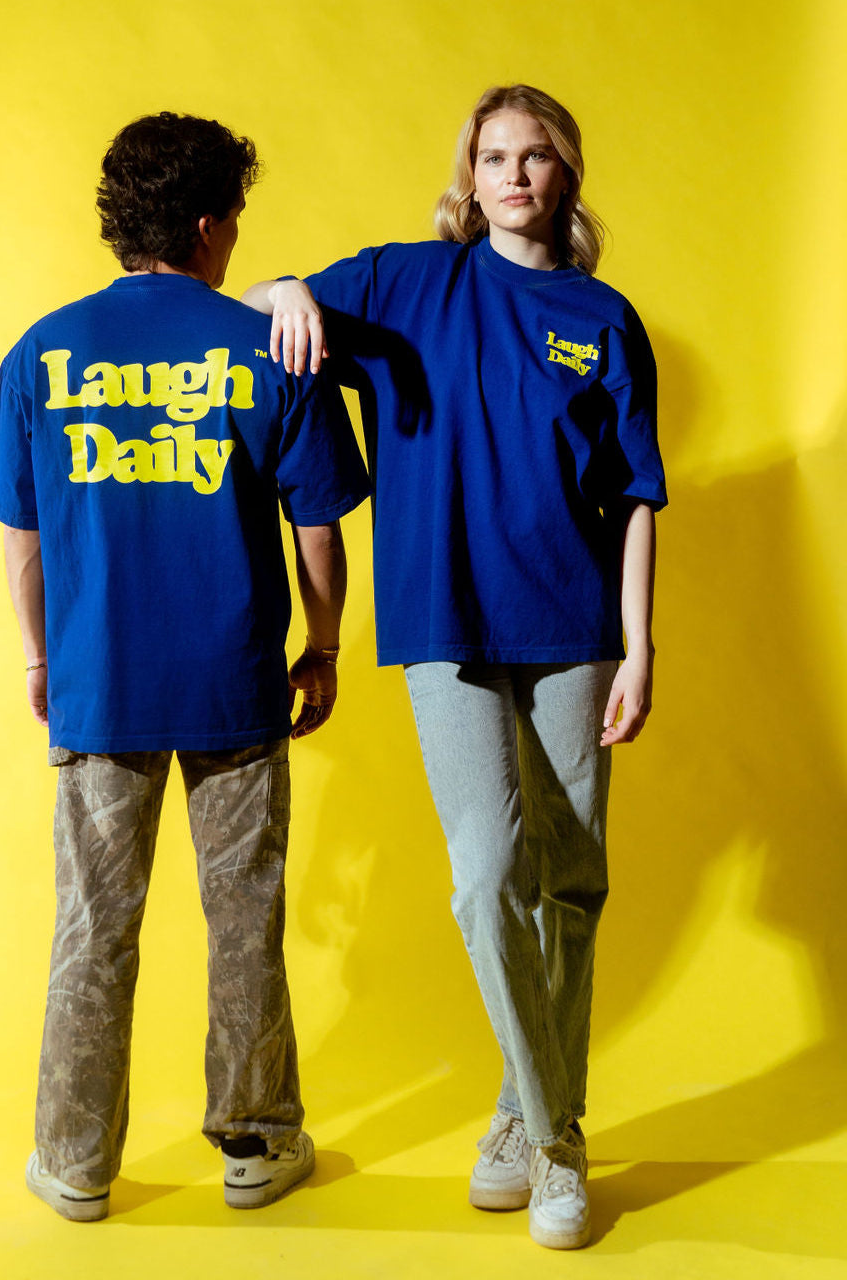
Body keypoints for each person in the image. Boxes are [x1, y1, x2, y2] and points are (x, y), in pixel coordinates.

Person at [243, 84, 666, 1249]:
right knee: (488, 878)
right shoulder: (406, 282)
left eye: (536, 156)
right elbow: (269, 309)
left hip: (575, 625)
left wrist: (639, 642)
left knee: (568, 884)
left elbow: (633, 494)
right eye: (493, 156)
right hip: (444, 624)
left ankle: (521, 1120)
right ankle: (560, 1140)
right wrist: (283, 285)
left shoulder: (603, 314)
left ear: (565, 175)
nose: (515, 174)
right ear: (467, 176)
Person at [0, 111, 369, 1221]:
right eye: (233, 218)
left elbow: (23, 533)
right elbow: (318, 531)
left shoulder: (44, 348)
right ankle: (255, 1141)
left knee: (94, 922)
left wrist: (43, 655)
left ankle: (76, 1160)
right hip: (236, 682)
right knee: (245, 915)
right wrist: (320, 648)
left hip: (101, 682)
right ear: (204, 224)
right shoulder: (265, 348)